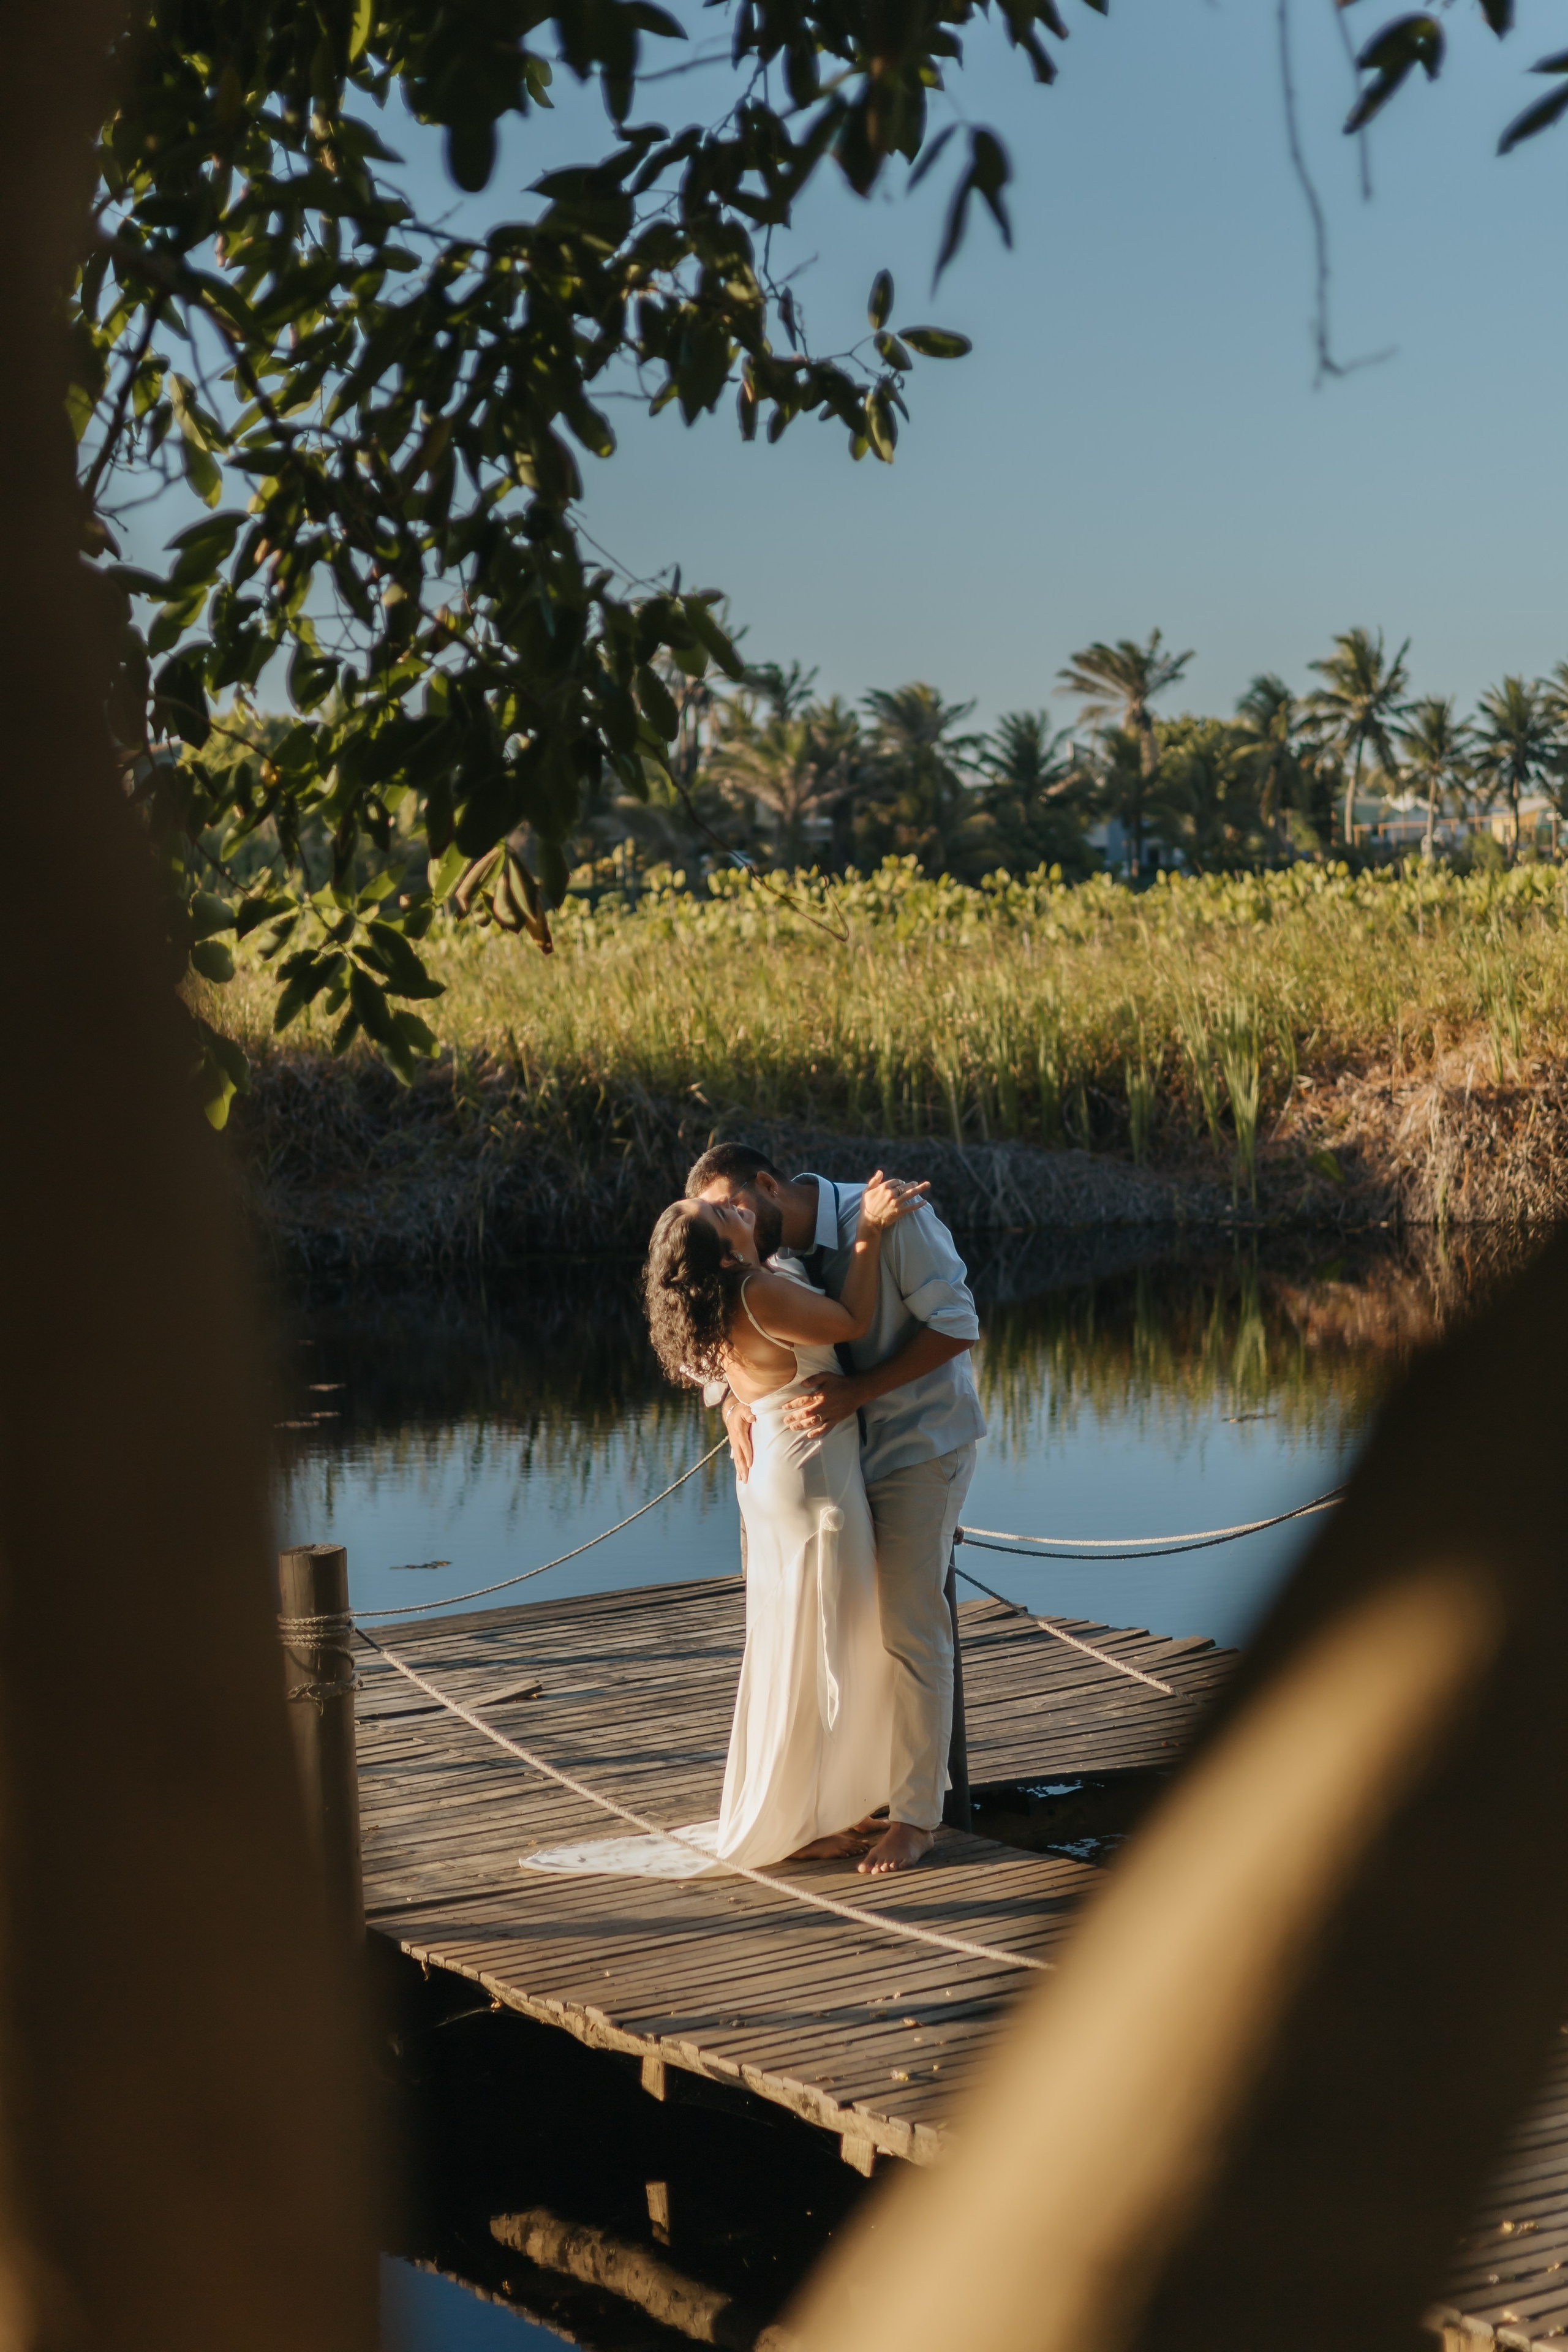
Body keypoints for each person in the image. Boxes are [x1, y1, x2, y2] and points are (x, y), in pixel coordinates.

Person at [524, 1169, 931, 1883]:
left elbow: (745, 1372)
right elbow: (851, 1324)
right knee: (825, 1646)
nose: (731, 1208)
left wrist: (734, 1405)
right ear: (721, 1253)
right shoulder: (753, 1290)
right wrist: (867, 1231)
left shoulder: (713, 1300)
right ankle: (801, 1822)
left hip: (776, 1470)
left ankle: (813, 1810)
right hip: (811, 1478)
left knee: (796, 1644)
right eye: (717, 1214)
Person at [687, 1144, 985, 1877]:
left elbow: (958, 1324)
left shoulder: (890, 1217)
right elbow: (725, 1324)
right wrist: (732, 1400)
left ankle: (915, 1819)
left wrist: (859, 1392)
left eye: (732, 1206)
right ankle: (841, 1803)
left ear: (766, 1185)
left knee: (909, 1628)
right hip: (832, 1466)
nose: (730, 1222)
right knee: (834, 1632)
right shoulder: (759, 1257)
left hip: (915, 1443)